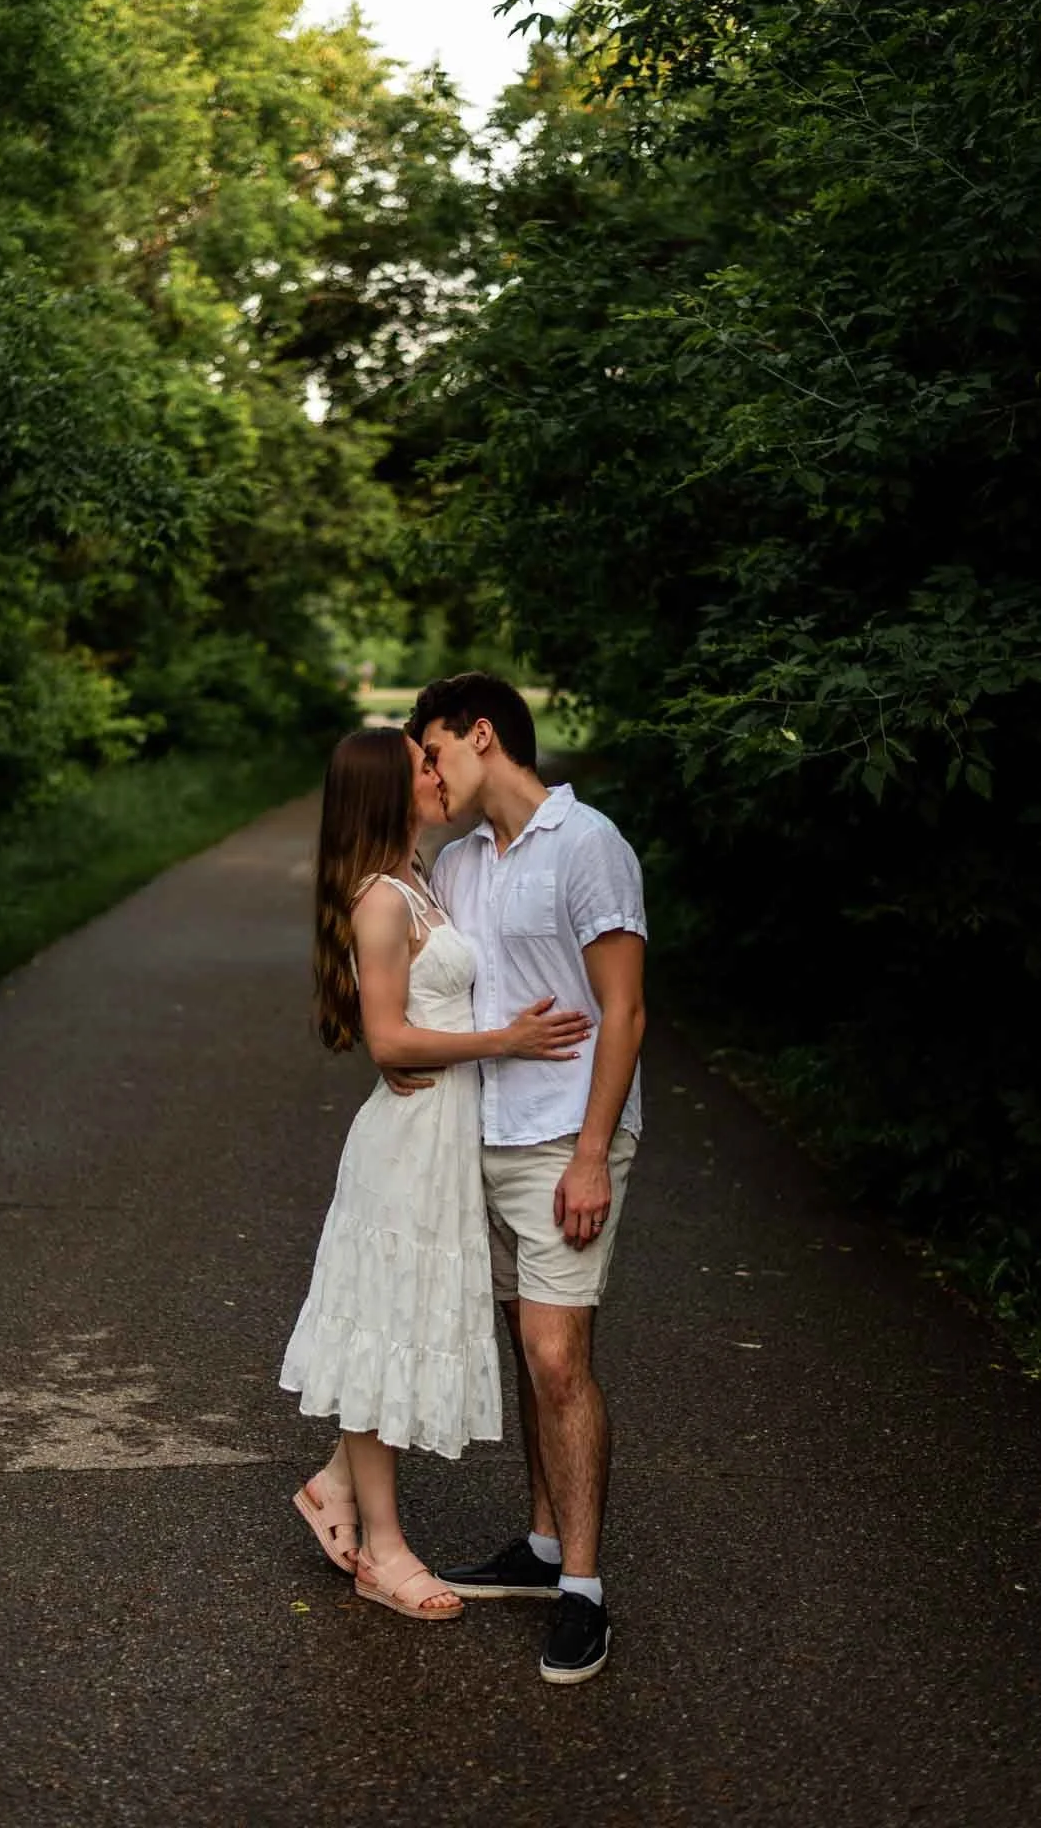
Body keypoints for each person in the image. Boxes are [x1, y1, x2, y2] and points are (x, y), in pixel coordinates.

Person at [280, 726, 594, 1622]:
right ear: (388, 788)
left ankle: (335, 1486)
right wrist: (507, 1039)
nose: (437, 770)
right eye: (422, 762)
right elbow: (387, 1040)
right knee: (385, 1330)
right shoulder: (381, 900)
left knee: (406, 1322)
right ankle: (384, 1551)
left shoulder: (424, 878)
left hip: (443, 1138)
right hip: (407, 1142)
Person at [404, 673, 647, 1686]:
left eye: (433, 753)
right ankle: (542, 1548)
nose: (428, 771)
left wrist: (592, 1152)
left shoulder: (587, 846)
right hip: (483, 1137)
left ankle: (583, 1591)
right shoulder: (458, 862)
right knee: (520, 1340)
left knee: (556, 1356)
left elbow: (622, 1011)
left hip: (563, 1139)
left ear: (483, 734)